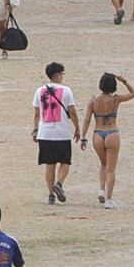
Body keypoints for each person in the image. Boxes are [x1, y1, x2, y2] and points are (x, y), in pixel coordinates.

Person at [84, 72, 134, 208]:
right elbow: (133, 93)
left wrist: (83, 136)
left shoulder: (93, 100)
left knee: (103, 164)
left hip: (98, 133)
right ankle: (109, 199)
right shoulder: (115, 99)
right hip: (112, 133)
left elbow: (88, 119)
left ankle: (101, 189)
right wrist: (124, 80)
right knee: (111, 169)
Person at [30, 62, 77, 206]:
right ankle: (59, 183)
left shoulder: (39, 91)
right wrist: (78, 128)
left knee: (49, 165)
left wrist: (35, 129)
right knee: (65, 162)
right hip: (61, 132)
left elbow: (37, 114)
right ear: (57, 75)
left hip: (45, 132)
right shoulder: (66, 90)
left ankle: (50, 194)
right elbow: (73, 111)